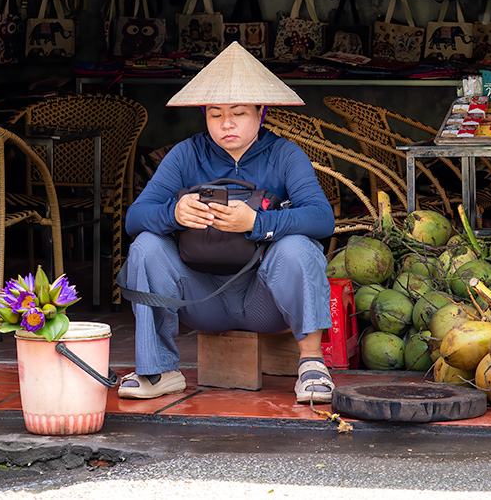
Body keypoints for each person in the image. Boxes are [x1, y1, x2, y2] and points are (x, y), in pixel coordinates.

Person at [116, 42, 337, 404]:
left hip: (265, 298)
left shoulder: (284, 154)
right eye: (215, 114)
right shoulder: (187, 153)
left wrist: (257, 222)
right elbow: (135, 217)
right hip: (202, 297)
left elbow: (321, 218)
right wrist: (174, 212)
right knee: (146, 244)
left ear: (261, 113)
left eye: (238, 113)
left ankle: (312, 363)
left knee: (299, 245)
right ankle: (158, 370)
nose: (227, 124)